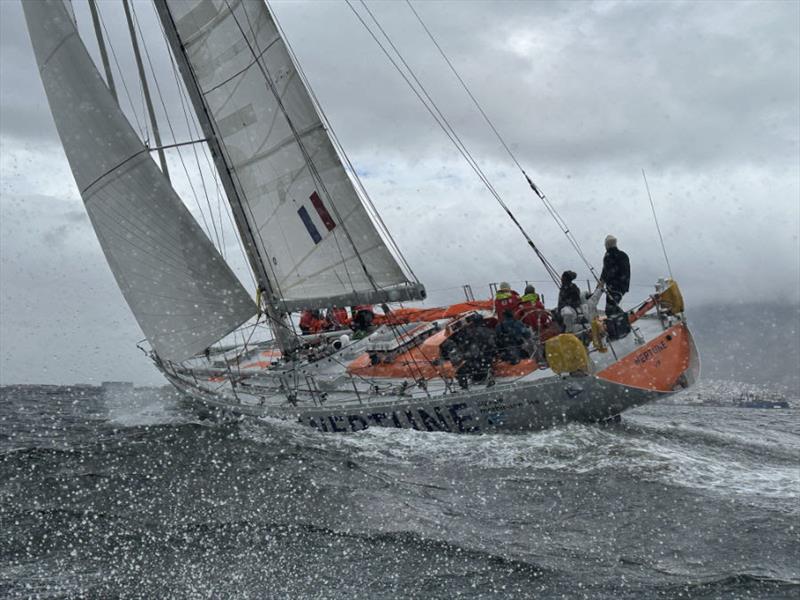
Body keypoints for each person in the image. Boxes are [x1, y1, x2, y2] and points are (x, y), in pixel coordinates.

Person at [442, 314, 497, 389]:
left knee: (461, 370)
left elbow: (469, 349)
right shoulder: (489, 331)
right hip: (489, 357)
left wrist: (464, 355)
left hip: (478, 359)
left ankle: (464, 387)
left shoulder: (471, 333)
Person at [599, 235, 630, 316]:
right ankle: (623, 319)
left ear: (607, 245)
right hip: (622, 287)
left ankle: (622, 322)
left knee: (610, 310)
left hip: (613, 287)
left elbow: (606, 271)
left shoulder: (609, 256)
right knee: (613, 307)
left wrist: (601, 283)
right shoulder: (623, 255)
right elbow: (625, 271)